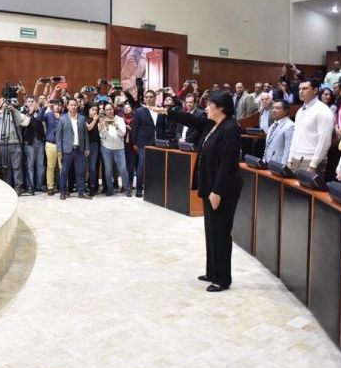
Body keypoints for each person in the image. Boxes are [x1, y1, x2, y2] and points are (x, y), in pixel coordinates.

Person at [151, 90, 243, 292]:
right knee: (211, 231)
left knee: (220, 233)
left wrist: (217, 191)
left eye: (210, 105)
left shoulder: (230, 128)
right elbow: (190, 119)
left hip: (221, 190)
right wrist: (166, 112)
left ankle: (222, 278)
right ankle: (212, 271)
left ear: (221, 108)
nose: (206, 108)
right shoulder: (213, 124)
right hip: (209, 186)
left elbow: (228, 164)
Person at [287, 79, 335, 174]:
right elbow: (296, 136)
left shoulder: (323, 111)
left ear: (315, 90)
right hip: (295, 158)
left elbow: (324, 141)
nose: (301, 91)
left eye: (305, 88)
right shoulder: (300, 110)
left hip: (311, 160)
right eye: (300, 89)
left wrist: (314, 164)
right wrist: (290, 158)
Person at [0, 97, 30, 194]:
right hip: (3, 144)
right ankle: (7, 186)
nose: (3, 103)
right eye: (1, 101)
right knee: (6, 167)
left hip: (15, 143)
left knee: (17, 167)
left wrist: (14, 110)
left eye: (5, 101)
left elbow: (25, 122)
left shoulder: (14, 112)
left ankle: (18, 187)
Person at [132, 90, 165, 198]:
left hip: (158, 142)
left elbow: (163, 127)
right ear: (144, 99)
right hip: (143, 143)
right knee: (141, 166)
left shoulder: (160, 109)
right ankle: (139, 189)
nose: (149, 99)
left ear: (155, 98)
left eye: (151, 97)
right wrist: (135, 143)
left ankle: (153, 188)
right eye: (146, 97)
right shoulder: (140, 111)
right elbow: (135, 128)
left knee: (156, 166)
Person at [56, 98, 91, 200]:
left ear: (77, 106)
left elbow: (85, 134)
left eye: (75, 105)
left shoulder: (81, 118)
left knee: (81, 172)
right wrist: (59, 150)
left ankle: (81, 192)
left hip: (79, 149)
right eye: (71, 105)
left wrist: (87, 148)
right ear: (67, 106)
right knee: (64, 172)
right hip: (67, 150)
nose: (73, 106)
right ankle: (63, 192)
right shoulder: (62, 119)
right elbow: (59, 136)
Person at [98, 103, 132, 197]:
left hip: (119, 148)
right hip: (106, 148)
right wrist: (104, 129)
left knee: (123, 169)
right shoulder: (102, 121)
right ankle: (110, 190)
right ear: (104, 111)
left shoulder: (120, 119)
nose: (109, 111)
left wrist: (117, 126)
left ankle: (127, 189)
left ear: (113, 109)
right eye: (107, 110)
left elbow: (123, 134)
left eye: (110, 109)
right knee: (108, 170)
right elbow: (102, 136)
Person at [21, 96, 46, 195]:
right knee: (30, 165)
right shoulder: (23, 113)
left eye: (32, 101)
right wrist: (30, 113)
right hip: (29, 142)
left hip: (39, 141)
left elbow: (40, 122)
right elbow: (24, 125)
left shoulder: (39, 113)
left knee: (40, 164)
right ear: (26, 103)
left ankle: (39, 185)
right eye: (29, 102)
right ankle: (30, 186)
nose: (31, 103)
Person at [262, 100, 294, 165]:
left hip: (278, 165)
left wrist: (282, 167)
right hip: (267, 163)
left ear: (286, 111)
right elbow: (268, 146)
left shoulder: (290, 126)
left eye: (278, 108)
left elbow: (288, 150)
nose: (273, 110)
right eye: (273, 108)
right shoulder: (273, 125)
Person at [43, 99, 63, 195]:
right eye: (56, 105)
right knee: (50, 167)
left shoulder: (64, 116)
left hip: (61, 145)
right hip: (50, 144)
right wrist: (45, 106)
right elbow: (39, 118)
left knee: (62, 167)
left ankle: (62, 186)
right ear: (52, 106)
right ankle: (50, 187)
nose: (58, 107)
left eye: (59, 105)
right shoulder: (48, 115)